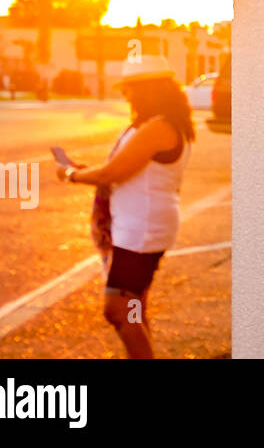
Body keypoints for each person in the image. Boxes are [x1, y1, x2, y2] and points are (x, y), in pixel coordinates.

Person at [57, 56, 193, 358]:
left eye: (129, 89)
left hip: (141, 232)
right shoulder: (156, 124)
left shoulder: (159, 127)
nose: (125, 95)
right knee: (134, 305)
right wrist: (87, 169)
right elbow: (121, 169)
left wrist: (71, 174)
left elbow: (111, 173)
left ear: (148, 90)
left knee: (118, 309)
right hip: (142, 227)